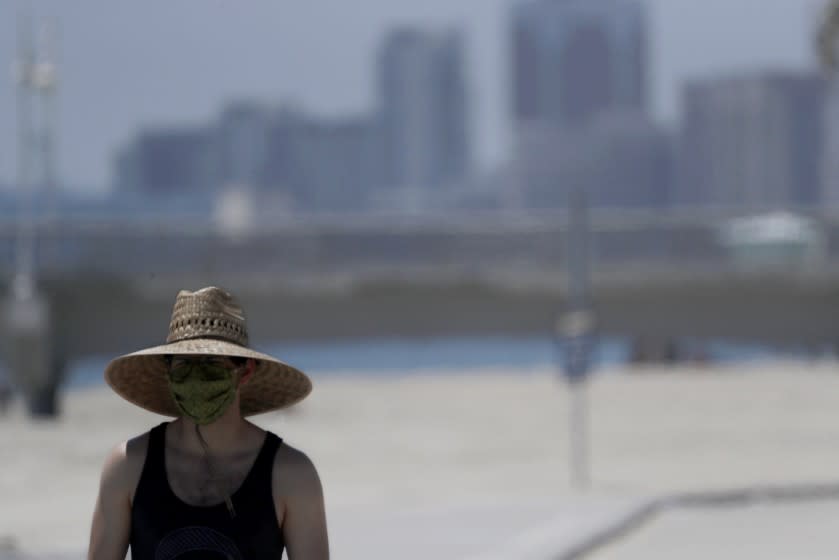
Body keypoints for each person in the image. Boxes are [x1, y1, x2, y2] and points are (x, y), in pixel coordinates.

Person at [88, 287, 329, 560]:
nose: (196, 378)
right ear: (169, 373)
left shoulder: (291, 475)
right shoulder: (128, 466)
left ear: (245, 371)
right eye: (183, 364)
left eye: (210, 363)